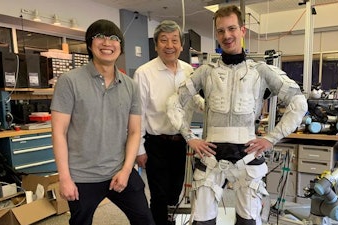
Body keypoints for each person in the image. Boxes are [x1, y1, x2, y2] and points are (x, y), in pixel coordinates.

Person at [166, 5, 308, 225]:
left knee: (248, 221)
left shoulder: (261, 71)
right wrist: (190, 137)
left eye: (231, 29)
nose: (226, 35)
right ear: (216, 34)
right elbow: (174, 103)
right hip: (210, 156)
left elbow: (299, 103)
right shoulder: (205, 72)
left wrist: (270, 139)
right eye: (221, 31)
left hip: (248, 157)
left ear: (242, 31)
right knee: (202, 221)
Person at [50, 19, 155, 225]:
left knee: (145, 219)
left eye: (114, 38)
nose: (107, 43)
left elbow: (134, 132)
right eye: (100, 36)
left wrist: (126, 171)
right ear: (90, 44)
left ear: (120, 47)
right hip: (82, 176)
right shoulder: (69, 81)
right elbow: (58, 132)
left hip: (118, 170)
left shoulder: (130, 86)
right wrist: (64, 178)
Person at [133, 20, 199, 225]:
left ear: (181, 45)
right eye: (164, 40)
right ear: (156, 45)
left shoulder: (189, 71)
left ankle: (168, 220)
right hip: (156, 143)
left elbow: (195, 100)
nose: (169, 45)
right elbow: (138, 114)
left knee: (175, 191)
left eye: (174, 40)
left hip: (181, 142)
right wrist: (139, 149)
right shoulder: (144, 73)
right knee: (159, 194)